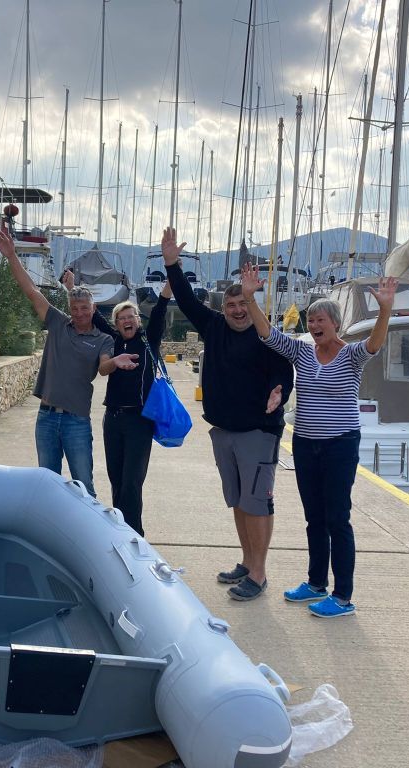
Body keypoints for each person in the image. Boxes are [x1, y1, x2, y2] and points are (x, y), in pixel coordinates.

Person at [240, 262, 397, 618]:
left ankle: (342, 597)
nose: (313, 326)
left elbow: (375, 343)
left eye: (320, 320)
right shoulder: (303, 351)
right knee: (314, 518)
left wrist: (385, 310)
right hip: (305, 444)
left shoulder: (352, 354)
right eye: (310, 321)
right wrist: (250, 299)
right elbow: (268, 335)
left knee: (337, 519)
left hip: (340, 445)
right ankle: (315, 583)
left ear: (335, 324)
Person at [160, 227, 294, 601]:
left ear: (251, 305)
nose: (237, 310)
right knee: (237, 500)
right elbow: (186, 299)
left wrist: (279, 391)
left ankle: (259, 574)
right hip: (224, 431)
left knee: (257, 502)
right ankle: (247, 562)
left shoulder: (265, 333)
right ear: (224, 309)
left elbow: (284, 369)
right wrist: (172, 263)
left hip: (258, 432)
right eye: (231, 305)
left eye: (242, 304)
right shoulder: (214, 326)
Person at [0, 230, 137, 497]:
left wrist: (116, 362)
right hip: (46, 418)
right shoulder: (58, 323)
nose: (79, 313)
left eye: (85, 308)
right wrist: (12, 256)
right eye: (75, 308)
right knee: (47, 485)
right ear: (70, 309)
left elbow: (103, 368)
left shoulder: (103, 339)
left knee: (84, 486)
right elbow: (31, 291)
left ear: (93, 309)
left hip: (76, 421)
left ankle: (88, 525)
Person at [62, 269, 171, 536]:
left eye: (130, 316)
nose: (126, 321)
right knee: (116, 478)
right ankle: (122, 531)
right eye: (121, 318)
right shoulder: (114, 340)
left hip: (140, 421)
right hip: (112, 419)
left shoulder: (148, 340)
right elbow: (92, 315)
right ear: (117, 324)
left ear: (138, 320)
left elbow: (159, 311)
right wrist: (71, 288)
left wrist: (170, 283)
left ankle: (132, 534)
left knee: (132, 481)